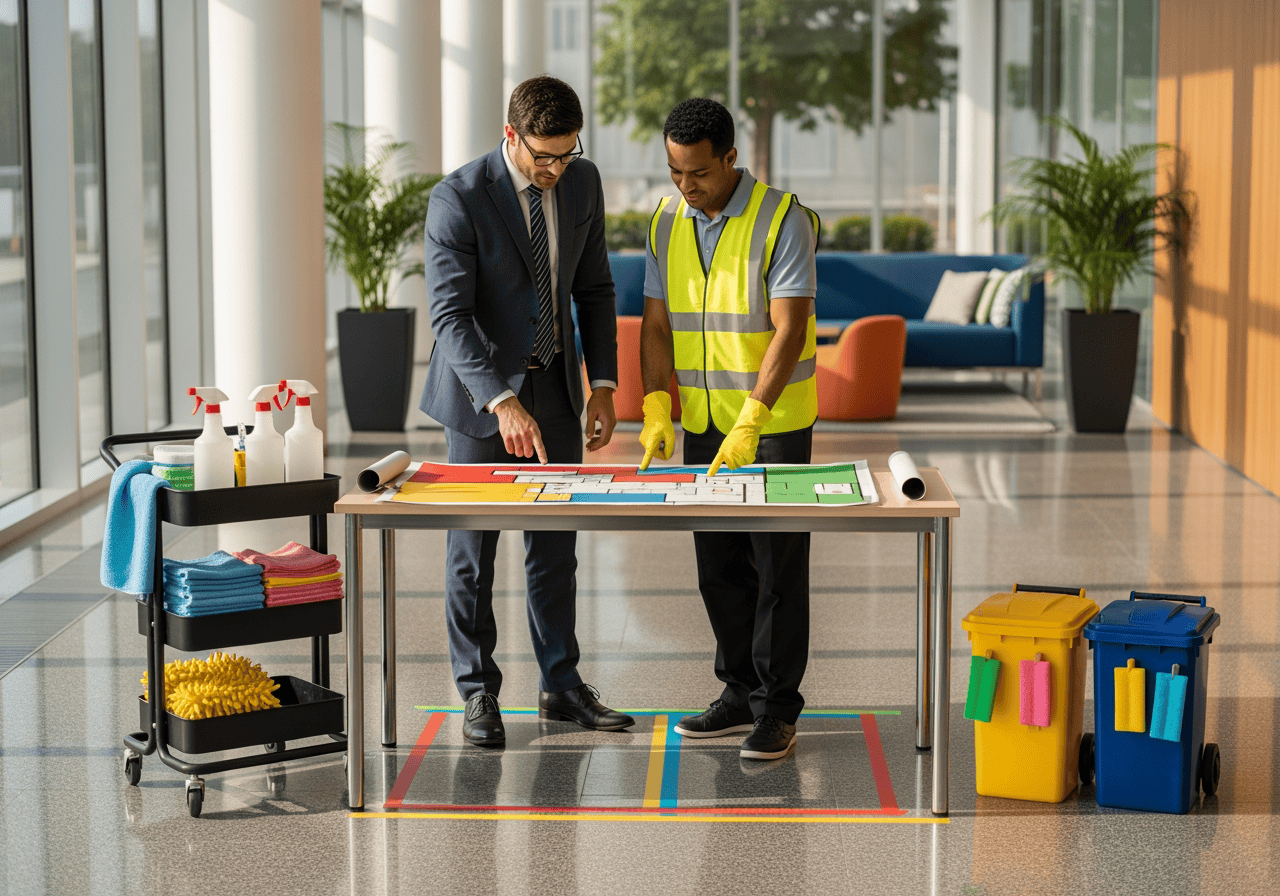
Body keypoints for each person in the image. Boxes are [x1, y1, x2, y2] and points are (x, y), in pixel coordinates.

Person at [420, 75, 633, 746]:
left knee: (554, 547)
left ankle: (561, 685)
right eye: (544, 157)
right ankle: (477, 691)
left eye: (567, 154)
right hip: (482, 395)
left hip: (559, 390)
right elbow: (450, 317)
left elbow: (595, 289)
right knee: (472, 552)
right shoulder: (458, 197)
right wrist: (502, 399)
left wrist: (602, 384)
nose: (555, 170)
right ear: (510, 136)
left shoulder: (582, 182)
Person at [638, 97, 818, 761]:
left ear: (731, 160)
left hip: (771, 424)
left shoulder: (782, 218)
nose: (686, 186)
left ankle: (777, 708)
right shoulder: (664, 222)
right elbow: (656, 324)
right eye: (675, 172)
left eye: (700, 174)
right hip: (704, 424)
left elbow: (790, 326)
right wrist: (659, 404)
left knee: (776, 571)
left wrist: (754, 421)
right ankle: (737, 689)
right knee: (717, 566)